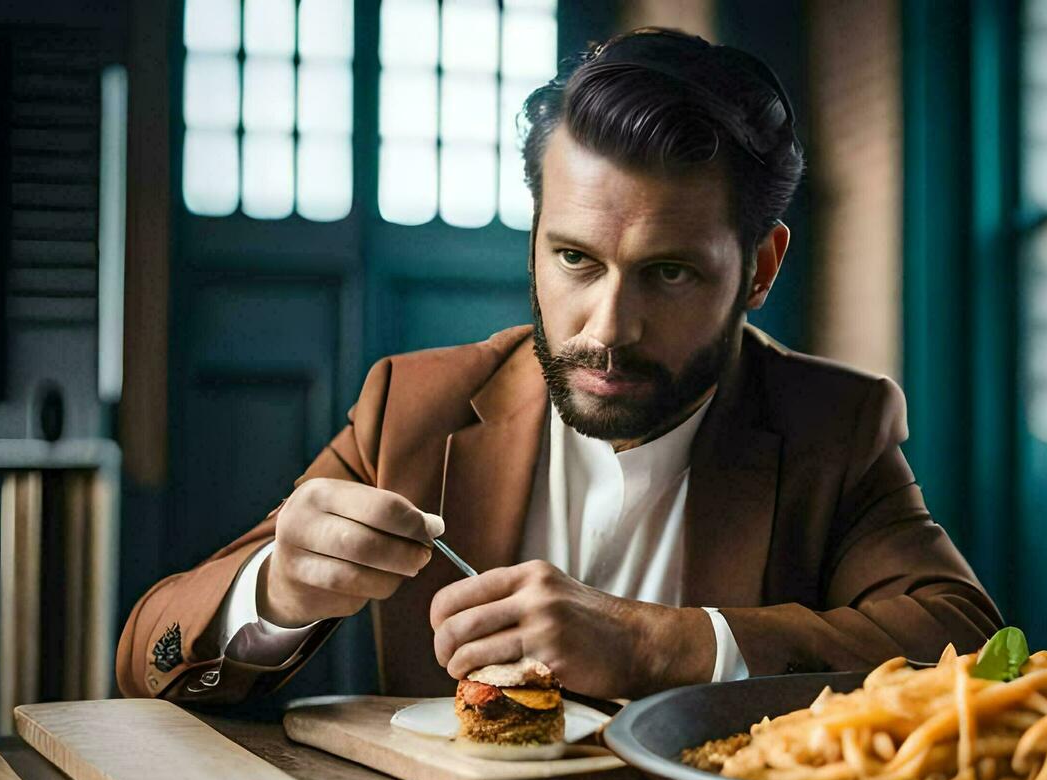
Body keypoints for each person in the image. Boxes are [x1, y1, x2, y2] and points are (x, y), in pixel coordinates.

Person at [116, 27, 1001, 705]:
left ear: (760, 269)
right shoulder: (412, 405)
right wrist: (272, 590)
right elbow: (144, 656)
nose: (608, 327)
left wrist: (656, 647)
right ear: (536, 243)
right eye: (576, 259)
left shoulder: (832, 426)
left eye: (670, 272)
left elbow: (969, 649)